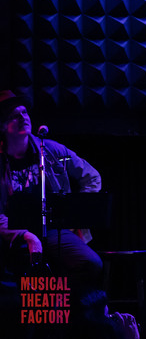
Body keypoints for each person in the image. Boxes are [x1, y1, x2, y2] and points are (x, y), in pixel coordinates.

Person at [0, 89, 103, 287]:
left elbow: (92, 177)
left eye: (24, 112)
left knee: (91, 264)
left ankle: (58, 304)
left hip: (53, 228)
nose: (23, 118)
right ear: (3, 125)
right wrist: (26, 235)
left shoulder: (50, 149)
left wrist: (75, 215)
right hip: (13, 231)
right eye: (15, 115)